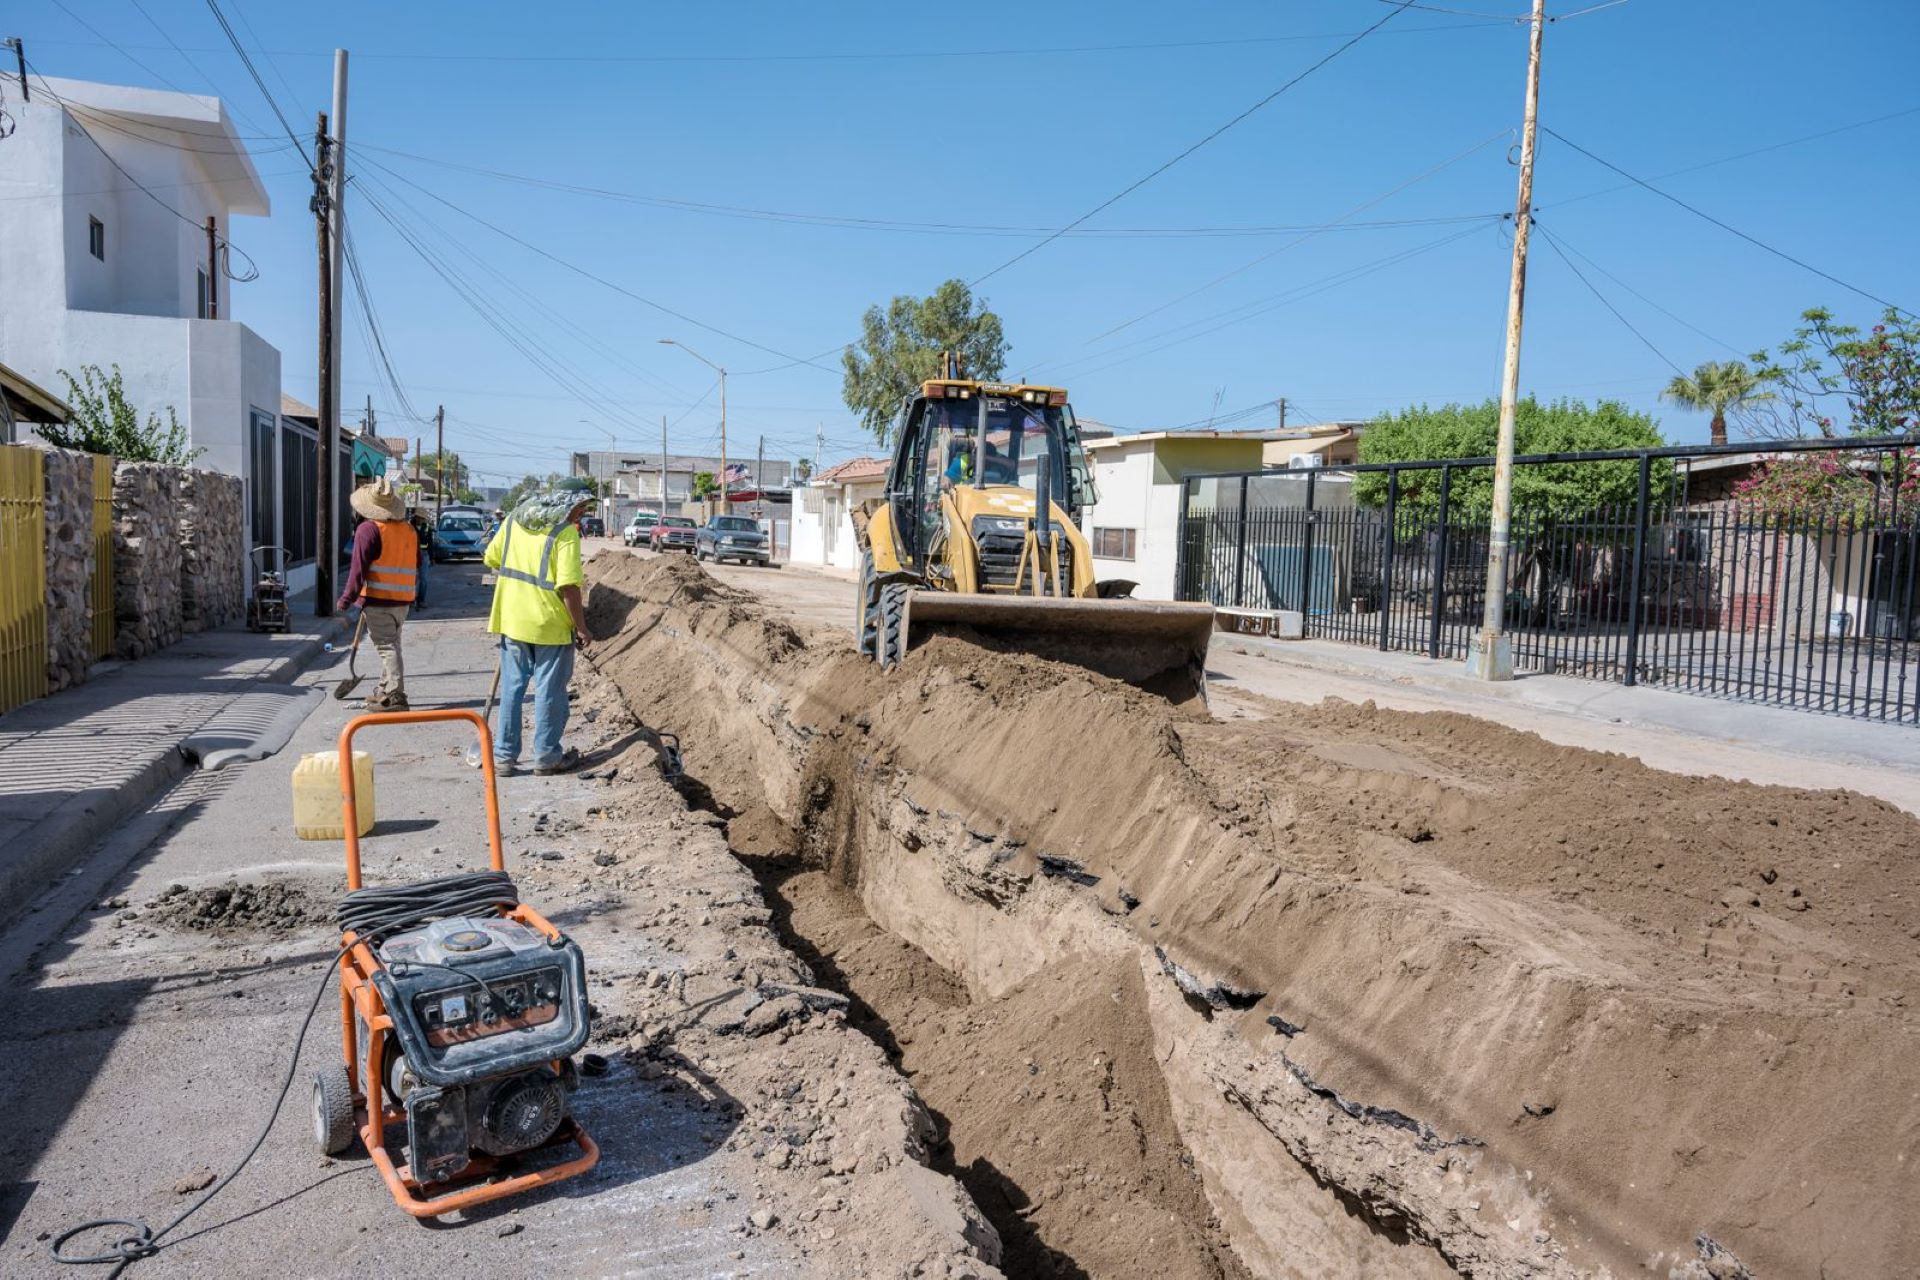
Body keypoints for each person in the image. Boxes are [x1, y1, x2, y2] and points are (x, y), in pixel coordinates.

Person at [483, 478, 595, 775]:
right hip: (550, 625)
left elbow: (491, 557)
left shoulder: (512, 523)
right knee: (549, 691)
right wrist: (581, 628)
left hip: (511, 619)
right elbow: (569, 587)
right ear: (565, 503)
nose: (582, 513)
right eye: (580, 507)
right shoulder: (565, 533)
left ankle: (504, 757)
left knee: (512, 688)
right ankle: (546, 756)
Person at [336, 476, 420, 710]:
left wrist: (346, 599)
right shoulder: (409, 530)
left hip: (378, 600)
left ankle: (395, 695)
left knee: (387, 647)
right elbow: (416, 563)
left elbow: (357, 569)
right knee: (393, 645)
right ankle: (384, 688)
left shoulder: (368, 530)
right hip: (402, 601)